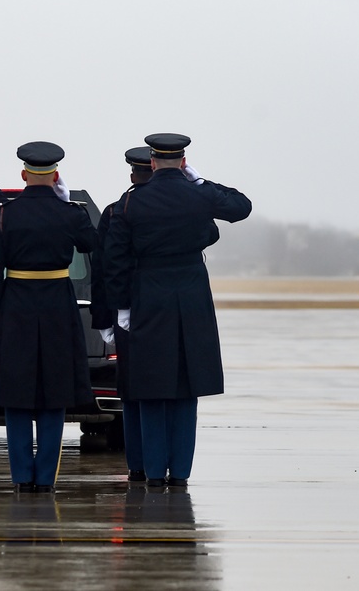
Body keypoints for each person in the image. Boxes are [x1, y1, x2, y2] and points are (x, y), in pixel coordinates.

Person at [104, 133, 251, 487]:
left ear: (152, 163)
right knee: (188, 385)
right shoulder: (199, 195)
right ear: (184, 163)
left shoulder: (130, 202)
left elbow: (115, 260)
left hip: (149, 294)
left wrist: (121, 307)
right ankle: (180, 472)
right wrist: (200, 182)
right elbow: (240, 207)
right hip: (191, 295)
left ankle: (154, 472)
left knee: (150, 383)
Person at [0, 141, 97, 493]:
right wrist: (68, 206)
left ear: (24, 175)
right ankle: (45, 477)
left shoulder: (4, 214)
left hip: (15, 305)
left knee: (16, 393)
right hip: (58, 306)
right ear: (56, 176)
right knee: (55, 392)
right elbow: (93, 243)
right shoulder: (70, 213)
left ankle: (21, 476)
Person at [89, 146, 153, 482]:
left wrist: (104, 317)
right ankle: (160, 462)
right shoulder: (176, 211)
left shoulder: (116, 211)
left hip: (126, 310)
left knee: (130, 388)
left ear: (132, 174)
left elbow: (102, 270)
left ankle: (138, 464)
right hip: (166, 309)